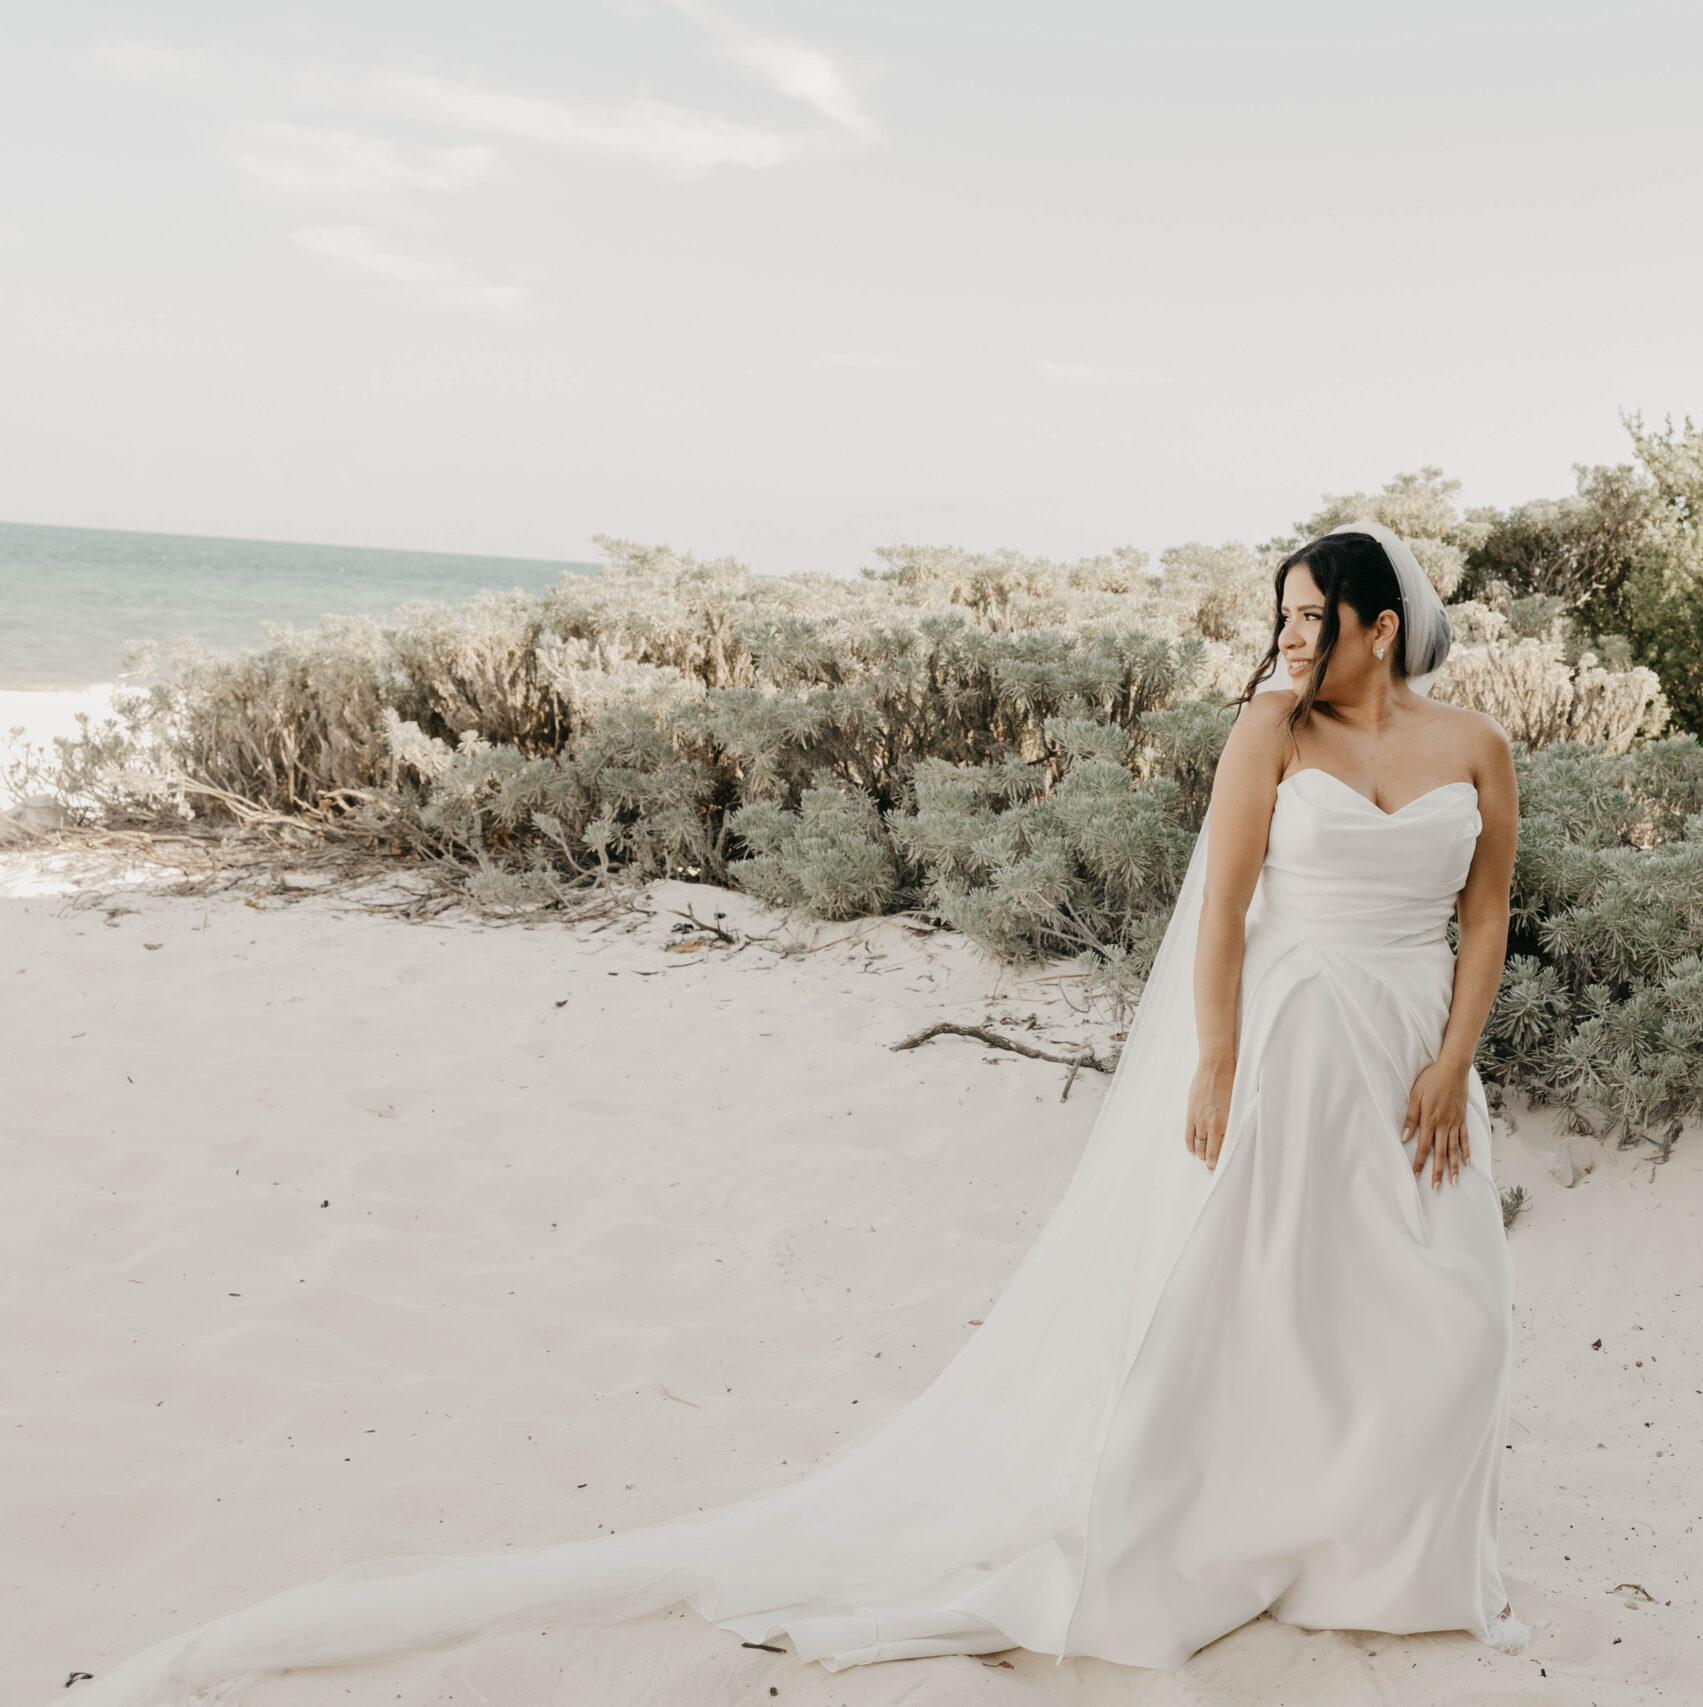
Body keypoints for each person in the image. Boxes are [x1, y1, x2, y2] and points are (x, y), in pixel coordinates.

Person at [83, 521, 1528, 1703]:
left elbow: (1484, 915)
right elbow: (1219, 910)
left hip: (1408, 1039)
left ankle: (1392, 1546)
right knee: (1260, 1291)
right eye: (1277, 619)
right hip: (1286, 1036)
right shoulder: (1267, 736)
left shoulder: (1473, 748)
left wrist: (1454, 1059)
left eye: (1307, 618)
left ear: (1379, 625)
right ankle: (1255, 1527)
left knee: (1442, 1301)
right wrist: (1214, 1061)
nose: (1285, 640)